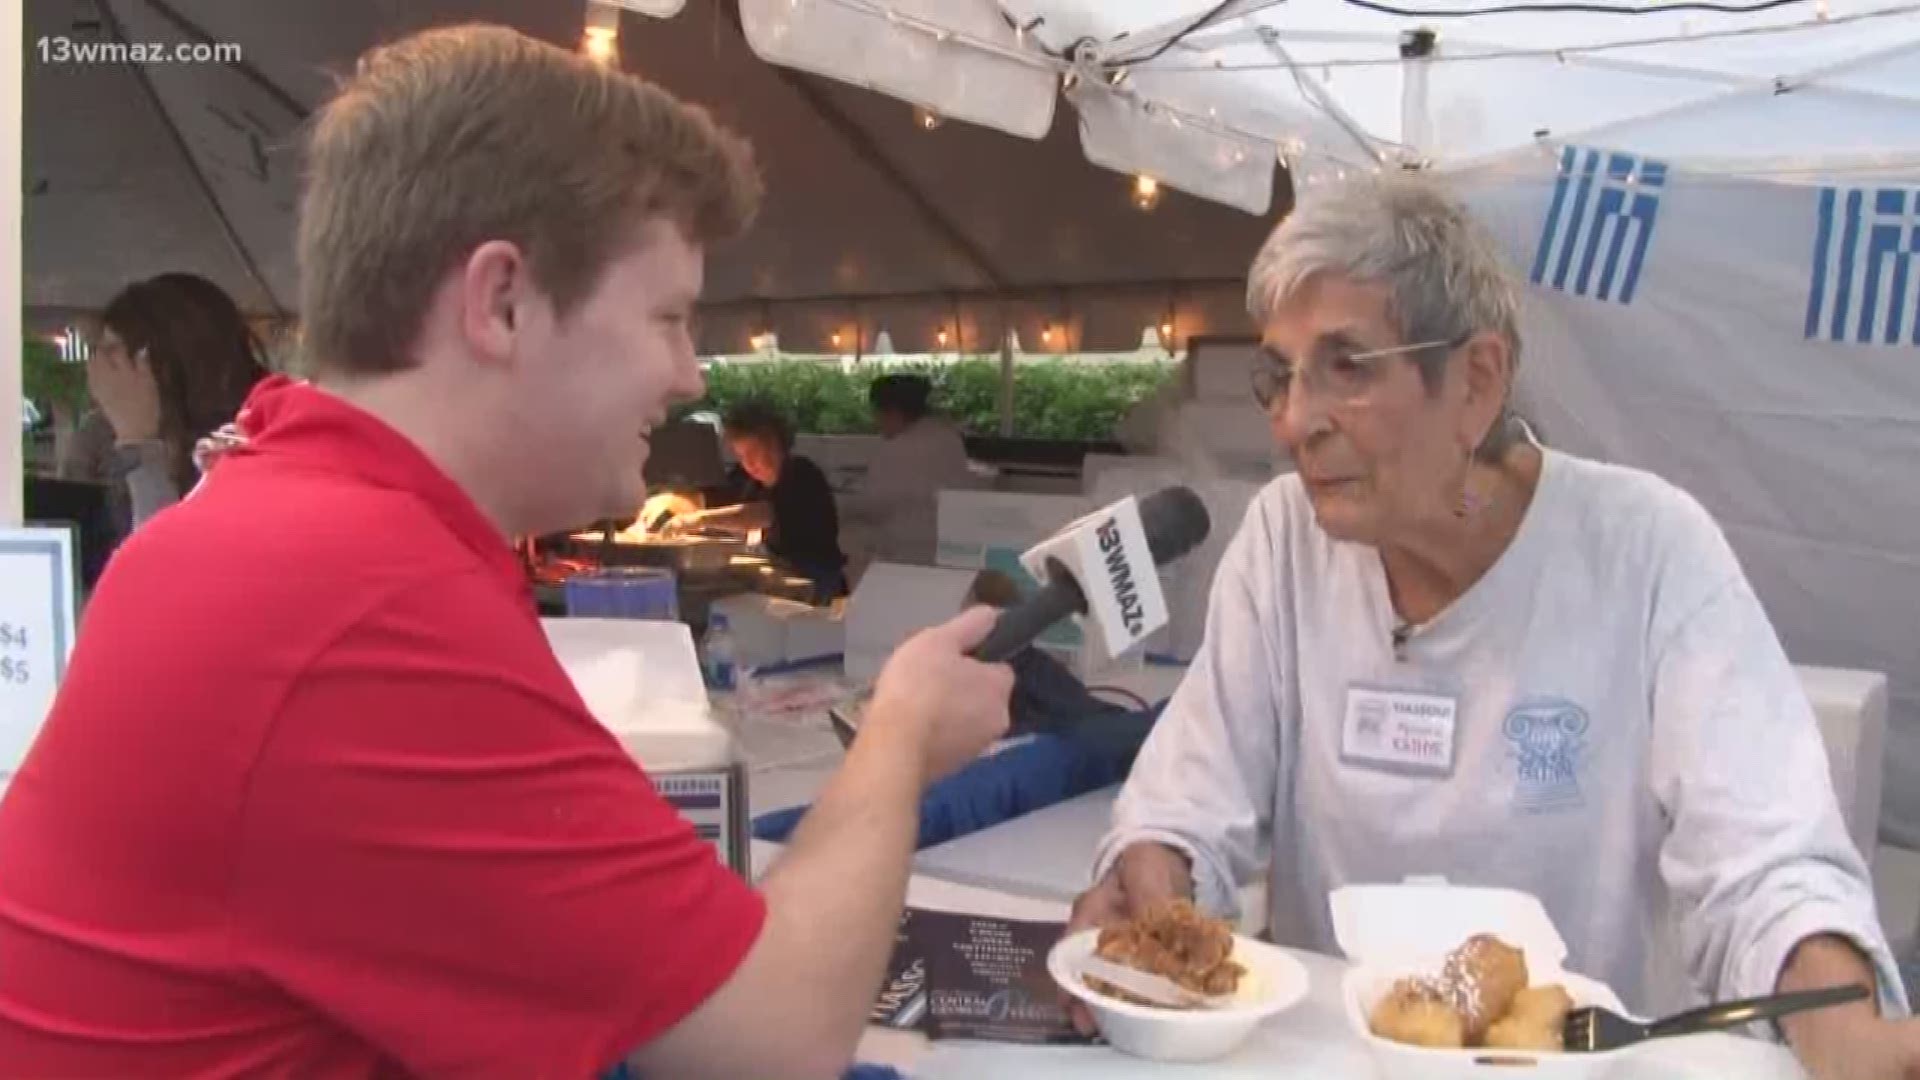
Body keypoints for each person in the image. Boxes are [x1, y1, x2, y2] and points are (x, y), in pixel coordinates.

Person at [0, 25, 1013, 1079]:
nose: (689, 377)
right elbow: (768, 1042)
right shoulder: (360, 596)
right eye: (668, 317)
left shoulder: (270, 517)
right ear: (503, 302)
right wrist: (900, 738)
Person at [1066, 174, 1920, 1079]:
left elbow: (1766, 859)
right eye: (1279, 376)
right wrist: (1151, 878)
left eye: (1346, 367)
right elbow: (1187, 797)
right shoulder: (1284, 541)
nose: (1294, 423)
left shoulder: (1645, 550)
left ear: (1477, 380)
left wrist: (1844, 1028)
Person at [60, 272, 270, 537]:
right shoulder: (99, 435)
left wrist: (140, 444)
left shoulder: (253, 445)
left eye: (113, 351)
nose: (102, 369)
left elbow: (169, 565)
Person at [667, 397, 848, 600]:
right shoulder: (747, 477)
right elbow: (717, 497)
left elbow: (762, 514)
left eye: (753, 452)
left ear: (773, 443)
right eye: (741, 456)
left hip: (817, 578)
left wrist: (697, 519)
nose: (748, 463)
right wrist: (673, 501)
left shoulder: (801, 474)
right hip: (778, 569)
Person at [838, 373, 981, 567]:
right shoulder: (948, 438)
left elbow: (874, 504)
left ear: (892, 413)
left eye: (876, 413)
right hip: (951, 551)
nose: (876, 421)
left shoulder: (899, 449)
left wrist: (841, 507)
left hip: (906, 552)